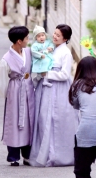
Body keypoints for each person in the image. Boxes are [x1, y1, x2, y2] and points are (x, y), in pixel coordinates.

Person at [30, 24, 79, 167]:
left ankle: (57, 154)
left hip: (59, 89)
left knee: (57, 120)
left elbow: (65, 74)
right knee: (44, 119)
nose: (55, 36)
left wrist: (47, 74)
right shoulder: (51, 48)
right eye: (55, 33)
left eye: (58, 35)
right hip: (46, 88)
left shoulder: (66, 53)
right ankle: (46, 152)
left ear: (65, 39)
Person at [0, 26, 36, 166]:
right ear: (19, 41)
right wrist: (10, 95)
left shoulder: (29, 52)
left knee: (29, 121)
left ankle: (27, 155)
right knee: (14, 122)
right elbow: (1, 82)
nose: (28, 40)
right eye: (26, 38)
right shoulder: (6, 59)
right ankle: (13, 156)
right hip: (15, 91)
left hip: (28, 89)